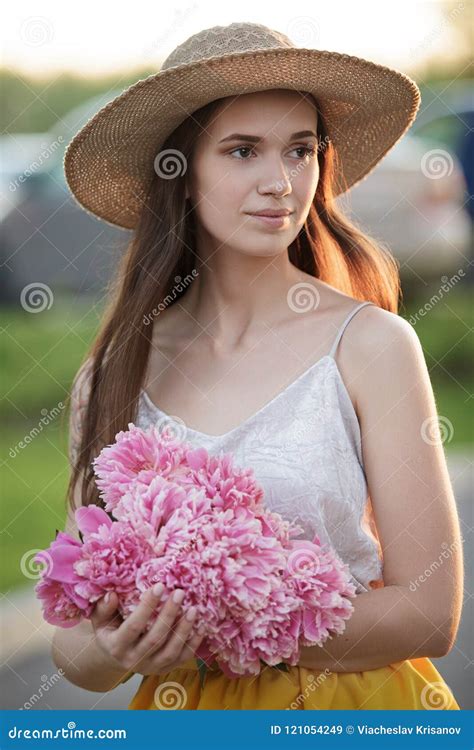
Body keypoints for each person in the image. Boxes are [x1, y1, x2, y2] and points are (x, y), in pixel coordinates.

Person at [52, 22, 463, 710]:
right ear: (180, 175)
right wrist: (113, 648)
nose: (280, 182)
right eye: (243, 151)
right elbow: (73, 631)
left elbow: (429, 611)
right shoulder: (113, 373)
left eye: (300, 150)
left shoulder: (372, 345)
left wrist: (221, 619)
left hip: (348, 707)